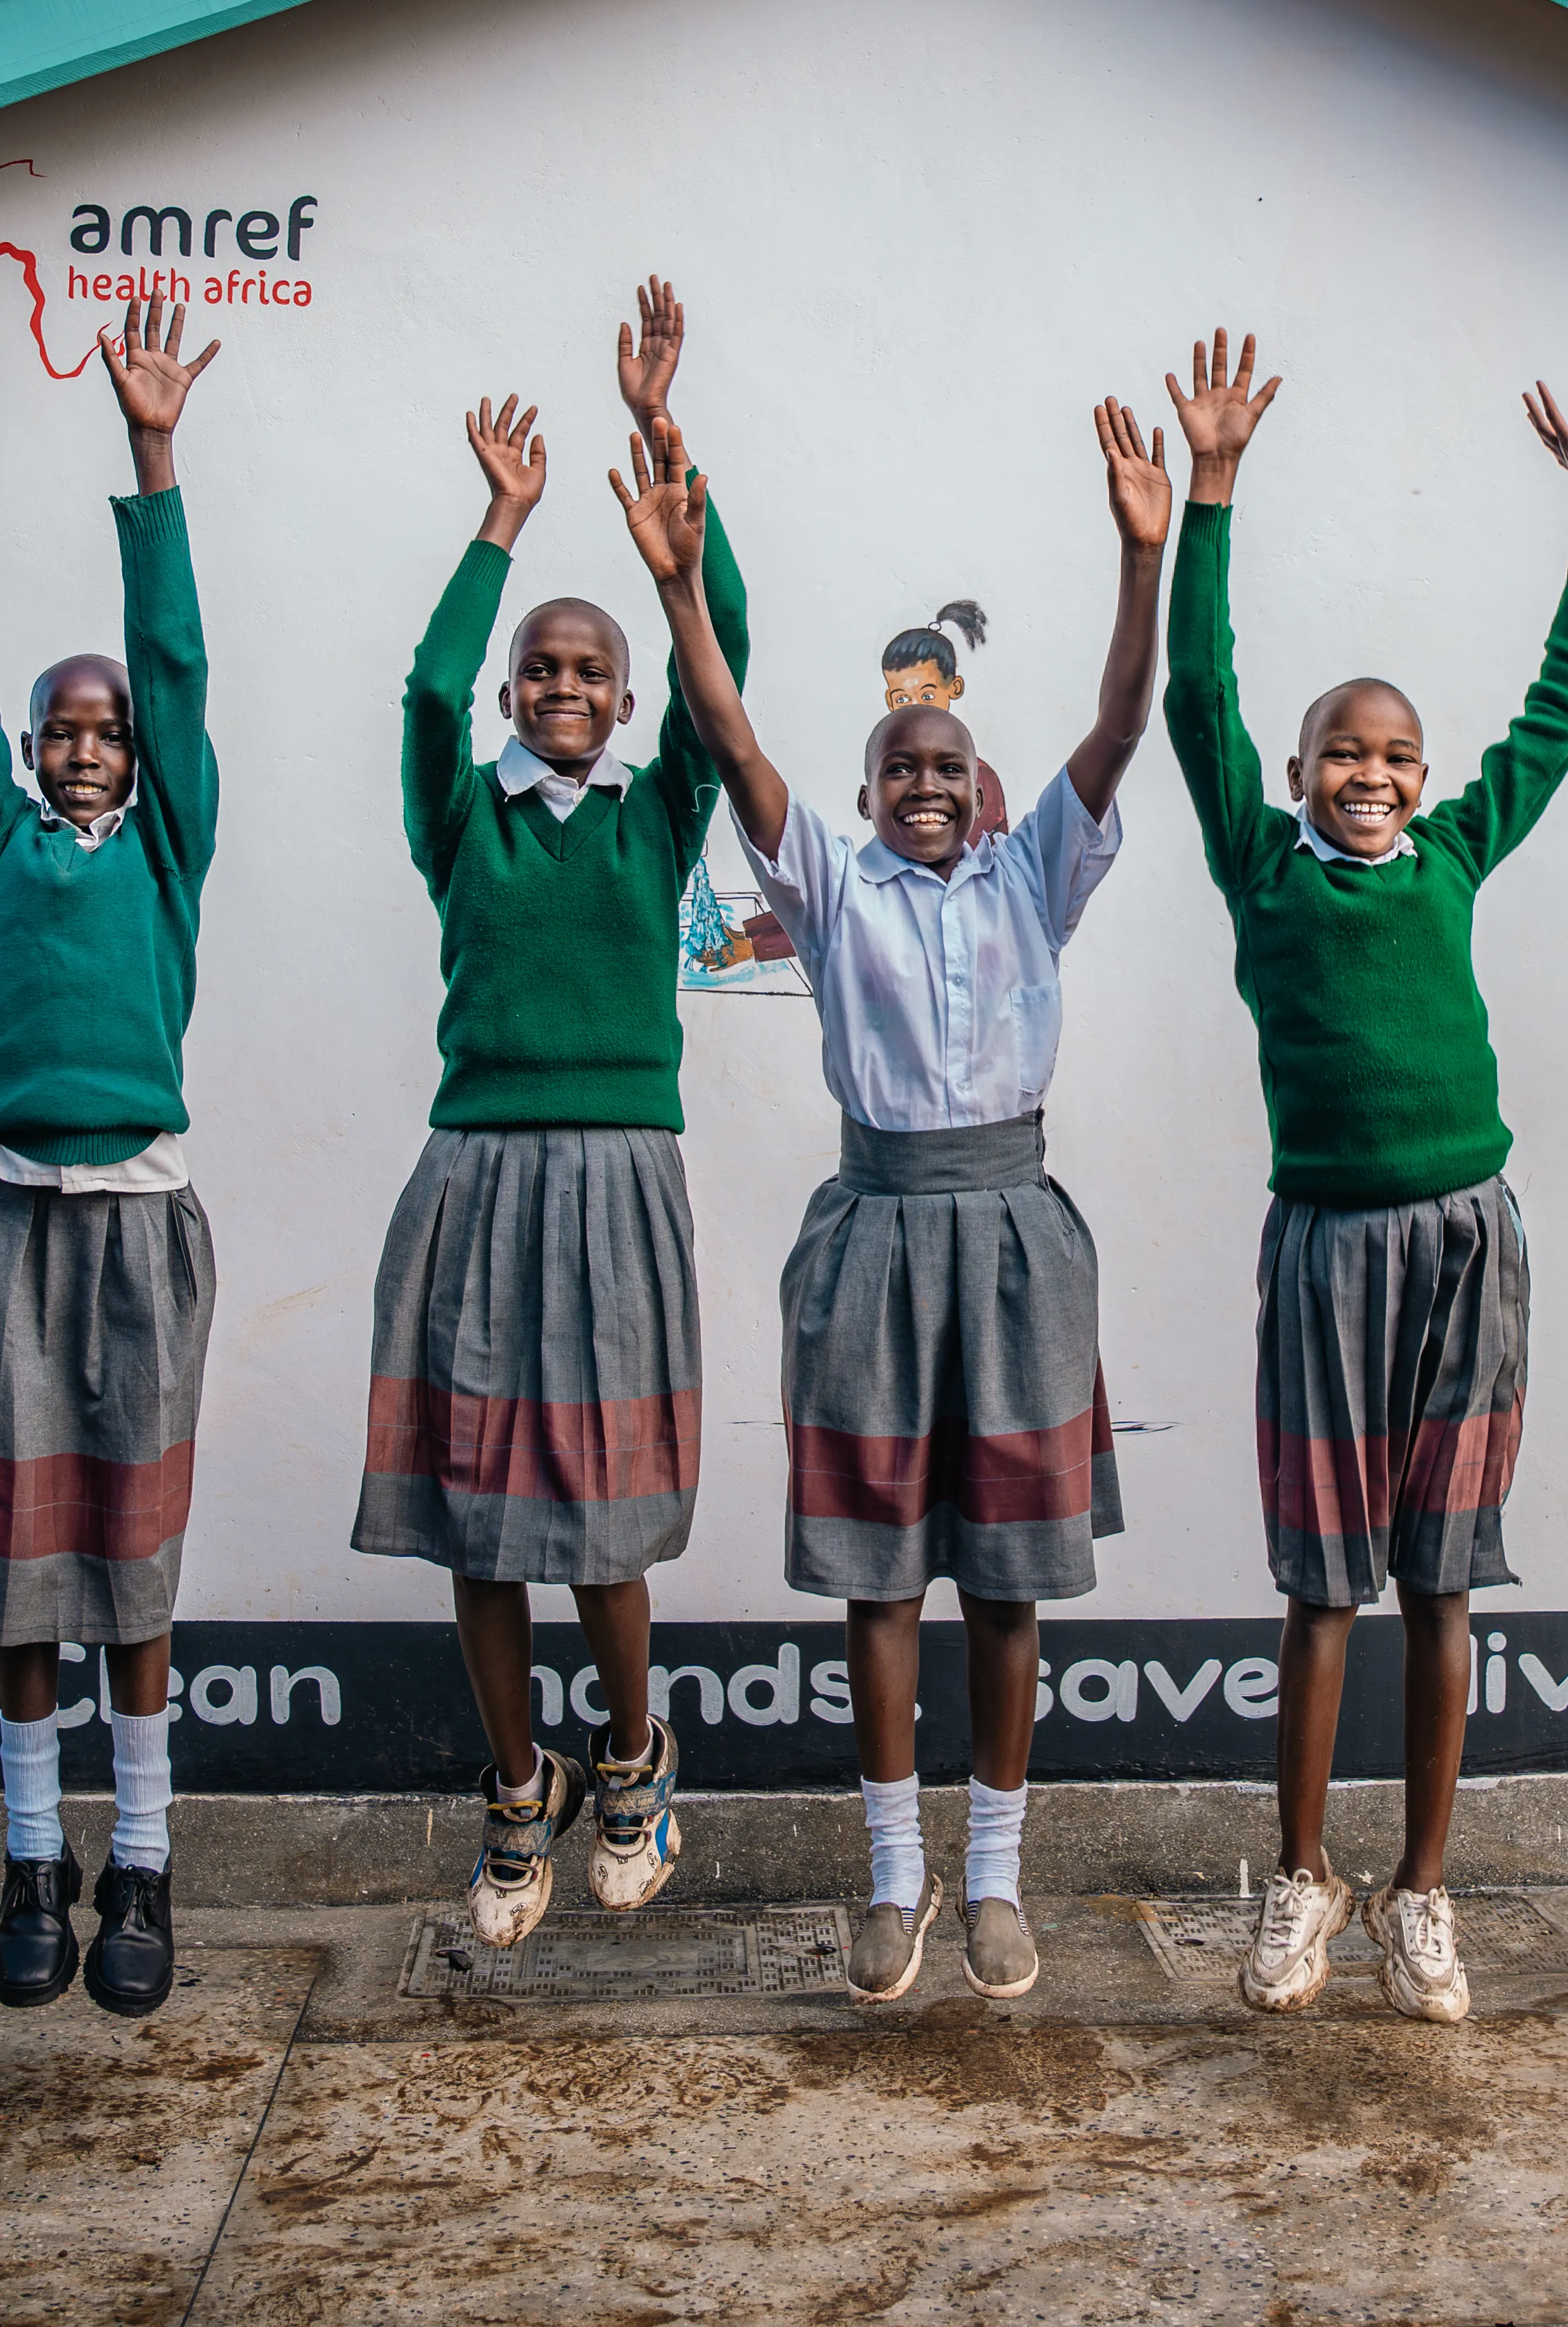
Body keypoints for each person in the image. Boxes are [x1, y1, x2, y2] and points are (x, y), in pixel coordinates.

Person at [618, 397, 1168, 2002]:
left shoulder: (1032, 875)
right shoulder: (827, 882)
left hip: (1011, 1240)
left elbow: (1122, 724)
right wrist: (677, 597)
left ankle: (993, 1878)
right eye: (895, 768)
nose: (924, 785)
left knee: (1004, 1578)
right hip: (869, 1235)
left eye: (948, 764)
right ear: (864, 797)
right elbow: (725, 735)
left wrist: (1148, 553)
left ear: (984, 787)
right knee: (878, 1576)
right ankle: (894, 1876)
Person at [1160, 330, 1568, 2026]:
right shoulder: (1260, 871)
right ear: (1293, 781)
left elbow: (1559, 713)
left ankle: (1423, 1888)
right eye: (1340, 753)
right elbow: (1195, 689)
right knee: (1318, 1588)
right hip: (1324, 1252)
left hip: (1464, 1242)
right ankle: (1302, 1875)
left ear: (1425, 783)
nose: (1370, 774)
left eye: (1394, 757)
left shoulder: (1459, 847)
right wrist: (1211, 492)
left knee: (1443, 1583)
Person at [355, 278, 749, 1949]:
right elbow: (416, 695)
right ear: (516, 692)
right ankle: (515, 1789)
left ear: (625, 694)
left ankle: (633, 1757)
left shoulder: (662, 813)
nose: (565, 682)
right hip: (475, 1172)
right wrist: (499, 530)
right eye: (542, 667)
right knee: (477, 1515)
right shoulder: (464, 820)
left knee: (595, 1515)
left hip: (616, 1178)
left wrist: (665, 442)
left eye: (593, 665)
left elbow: (726, 643)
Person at [0, 276, 226, 2020]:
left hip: (139, 1235)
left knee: (134, 1568)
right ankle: (34, 1860)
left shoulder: (168, 844)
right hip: (4, 1227)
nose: (91, 738)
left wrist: (148, 452)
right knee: (25, 1568)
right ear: (24, 753)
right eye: (62, 725)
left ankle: (146, 1863)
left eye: (108, 724)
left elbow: (167, 652)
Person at [879, 600, 1010, 837]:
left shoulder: (980, 778)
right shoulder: (889, 776)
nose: (916, 709)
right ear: (890, 702)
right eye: (902, 699)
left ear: (955, 688)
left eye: (928, 696)